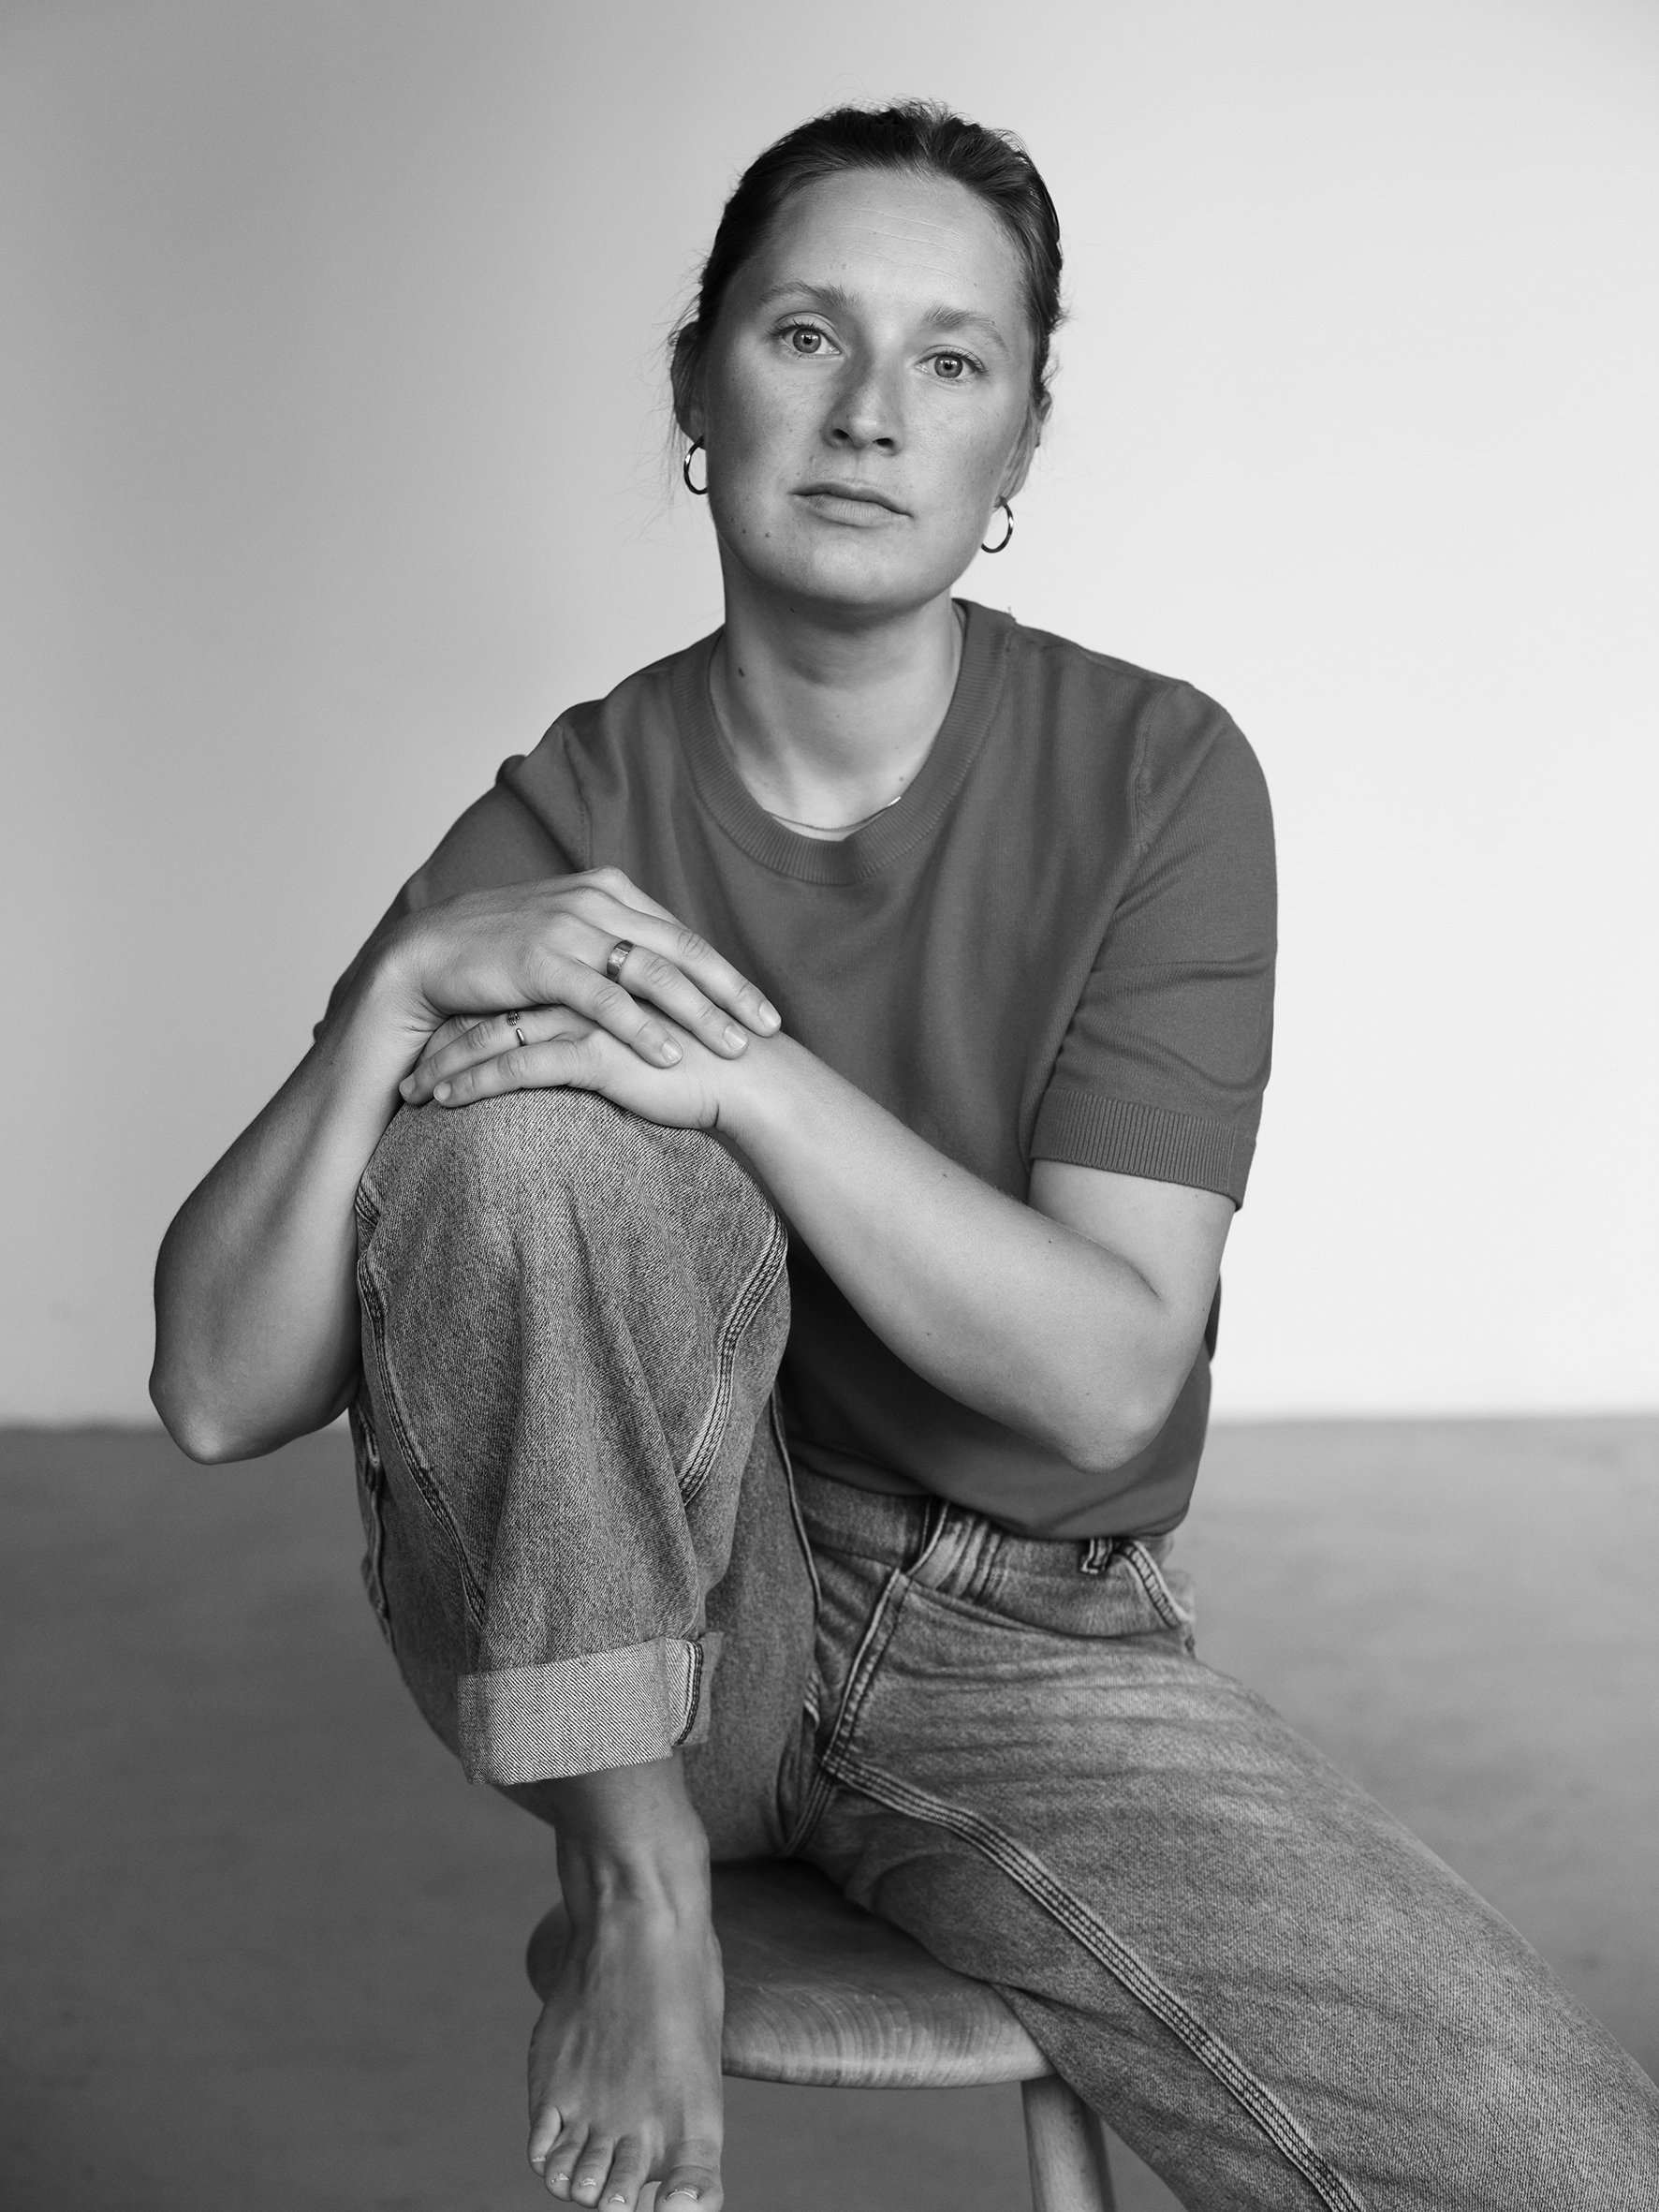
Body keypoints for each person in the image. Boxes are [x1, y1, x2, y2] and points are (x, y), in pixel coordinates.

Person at [151, 101, 1656, 2212]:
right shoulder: (573, 802)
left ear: (1018, 444)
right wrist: (408, 983)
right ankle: (642, 1882)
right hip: (676, 1609)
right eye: (802, 337)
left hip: (1032, 1645)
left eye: (950, 361)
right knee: (537, 1129)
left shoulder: (1155, 774)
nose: (868, 414)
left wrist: (744, 1078)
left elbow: (1110, 1370)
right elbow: (219, 1386)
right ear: (694, 384)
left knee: (1558, 2167)